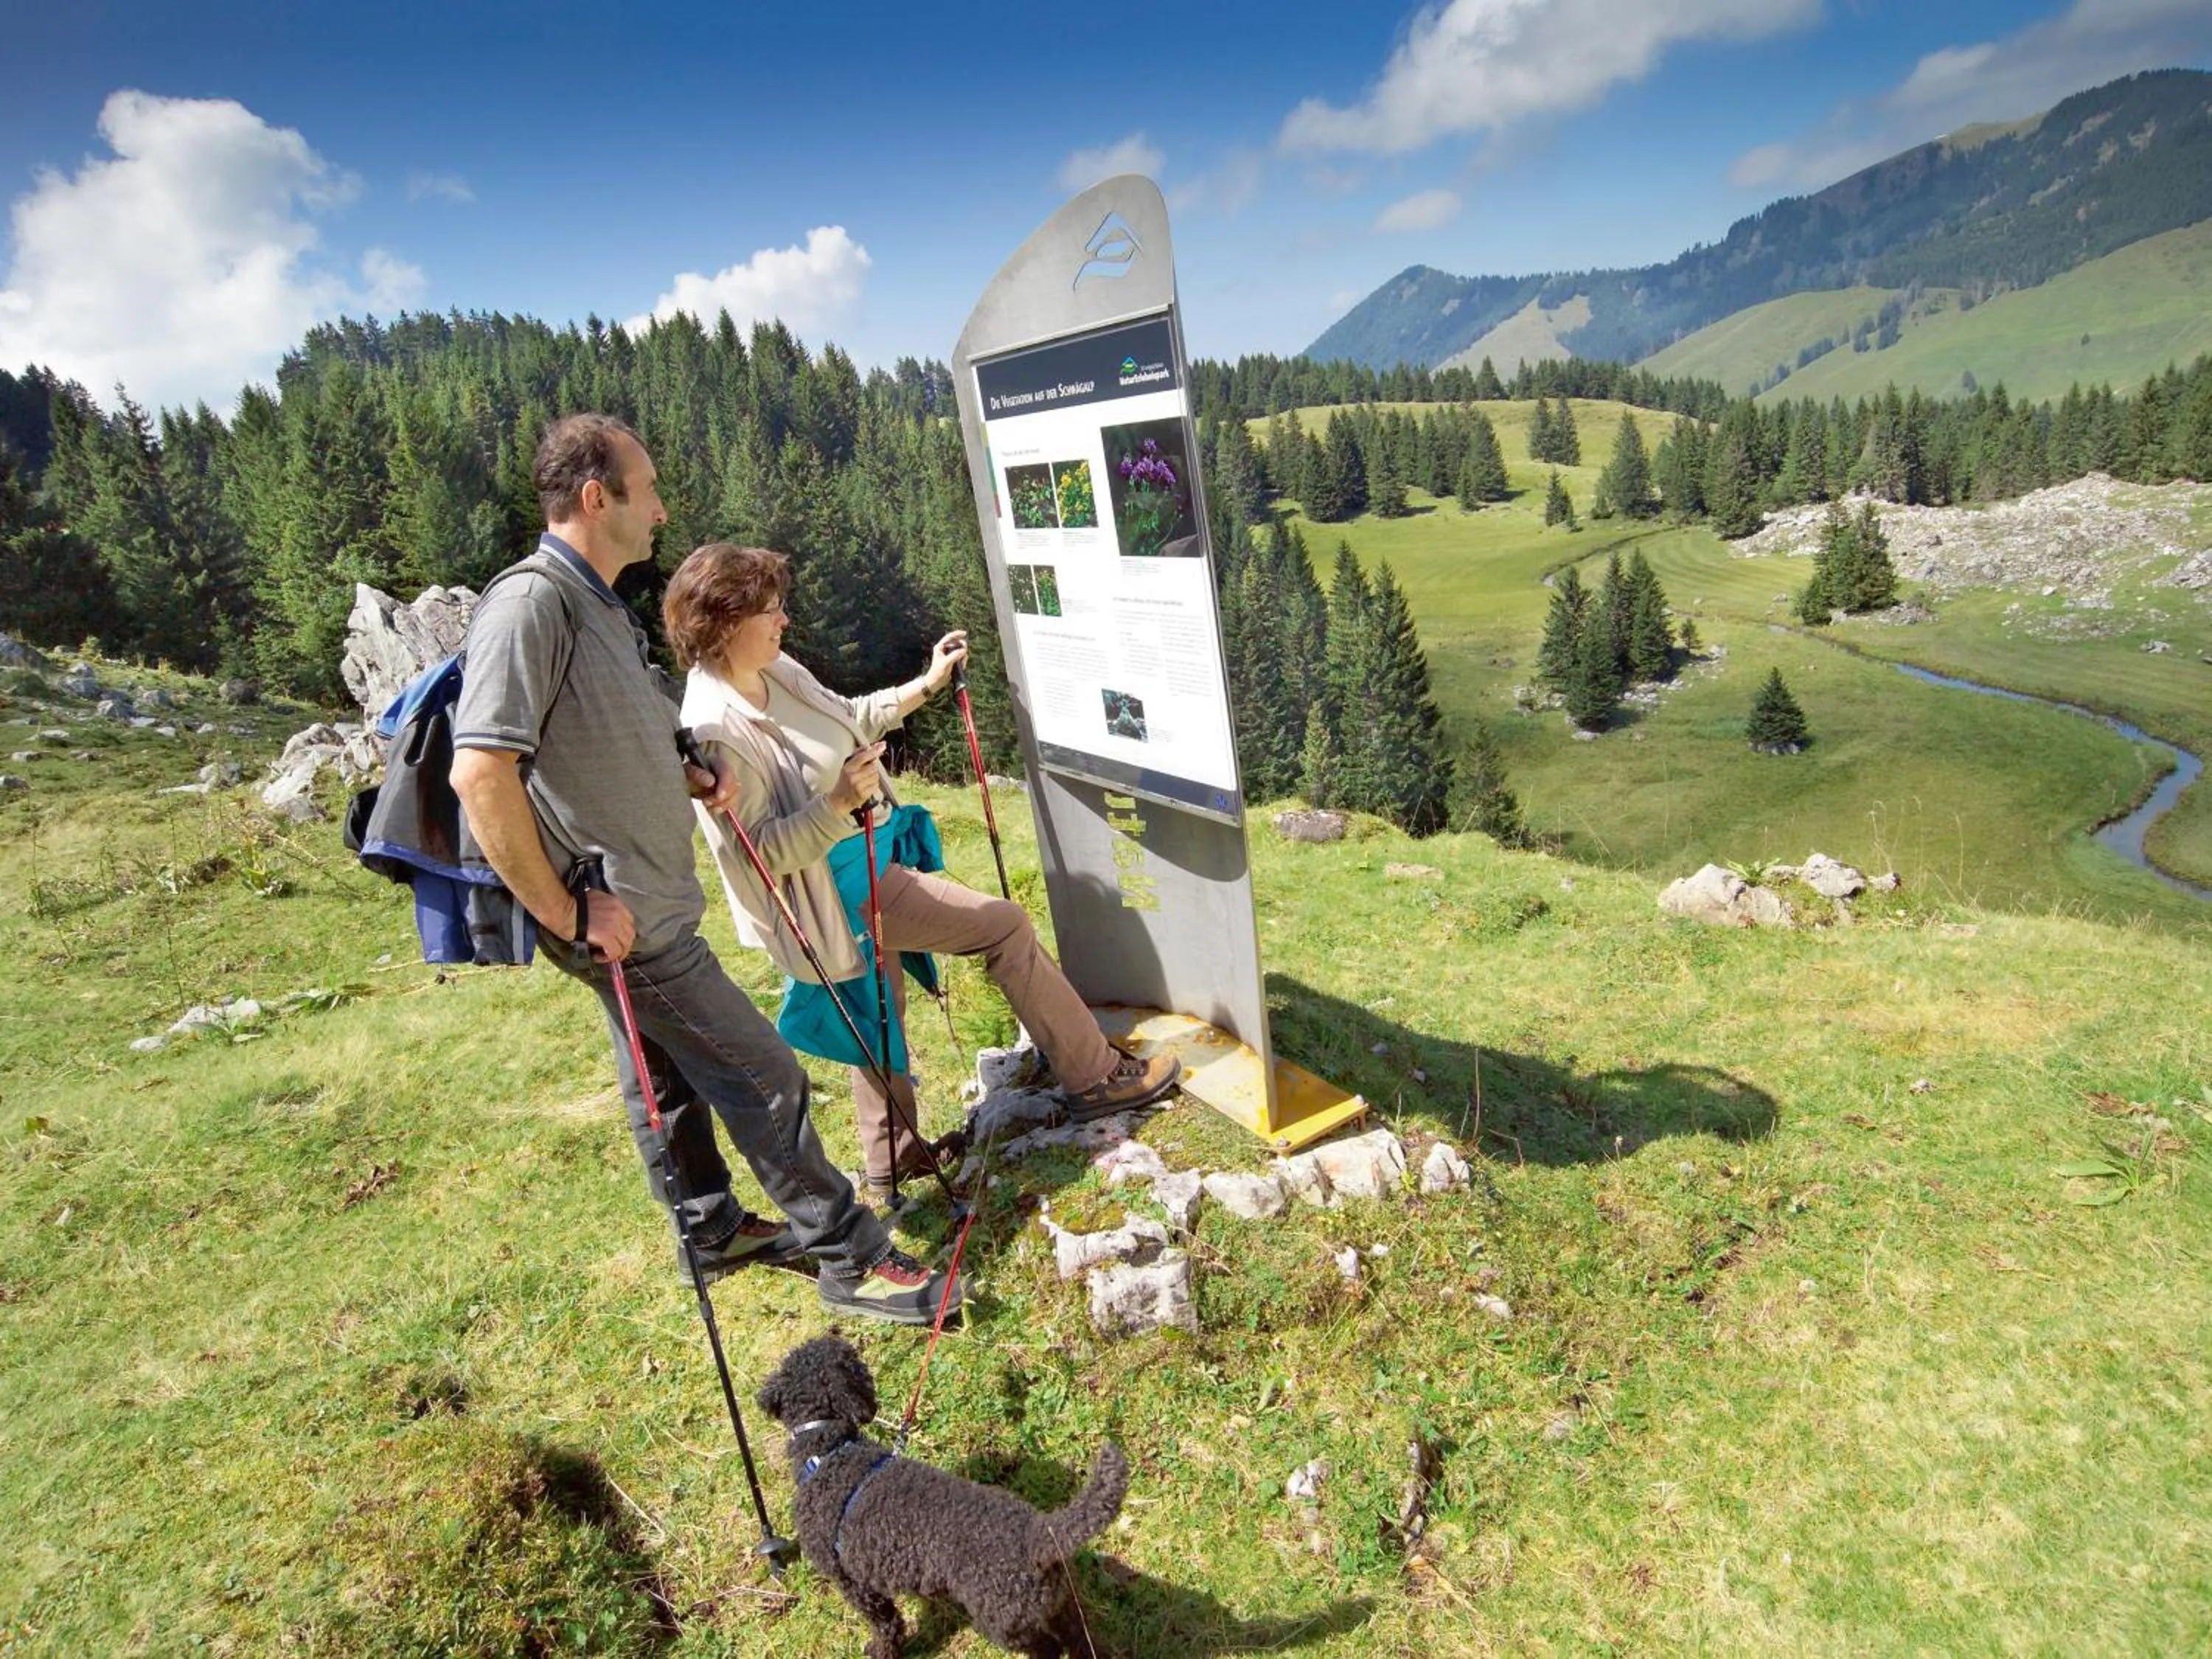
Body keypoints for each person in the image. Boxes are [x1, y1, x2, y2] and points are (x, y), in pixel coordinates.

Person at [448, 414, 957, 1326]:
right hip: (624, 913)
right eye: (646, 491)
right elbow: (481, 771)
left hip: (638, 902)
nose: (662, 509)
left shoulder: (597, 603)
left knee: (662, 1073)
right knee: (763, 1073)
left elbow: (601, 734)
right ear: (596, 499)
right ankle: (850, 1255)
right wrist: (569, 913)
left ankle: (710, 1229)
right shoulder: (531, 604)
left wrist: (685, 767)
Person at [661, 540, 1181, 1200]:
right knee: (1003, 927)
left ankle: (894, 1158)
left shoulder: (774, 671)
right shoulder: (715, 728)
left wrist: (925, 685)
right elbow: (757, 857)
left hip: (864, 863)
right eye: (771, 610)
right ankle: (1095, 1076)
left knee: (878, 1009)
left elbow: (847, 717)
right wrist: (839, 804)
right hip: (840, 891)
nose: (783, 621)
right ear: (727, 621)